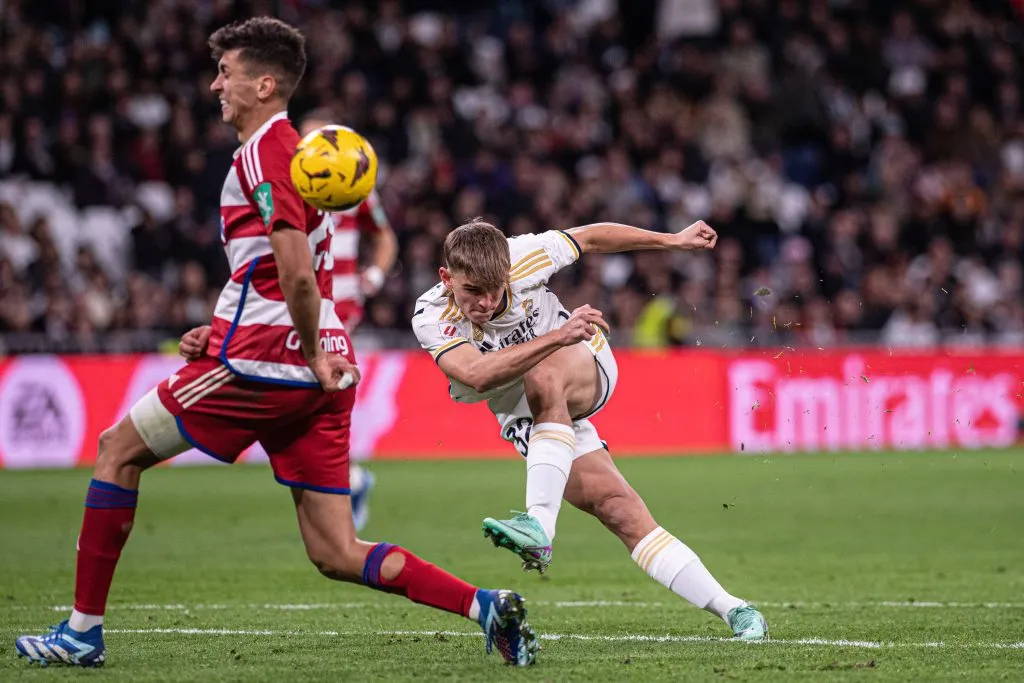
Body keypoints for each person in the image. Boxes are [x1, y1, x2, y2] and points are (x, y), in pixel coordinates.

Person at [15, 18, 538, 668]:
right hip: (311, 365)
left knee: (116, 450)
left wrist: (299, 346)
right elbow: (273, 268)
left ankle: (82, 631)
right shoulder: (293, 154)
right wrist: (229, 324)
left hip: (270, 363)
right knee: (336, 551)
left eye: (226, 73)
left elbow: (294, 269)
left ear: (264, 83)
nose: (216, 86)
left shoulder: (269, 150)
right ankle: (483, 604)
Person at [412, 218, 768, 641]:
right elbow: (476, 375)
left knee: (544, 375)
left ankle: (539, 524)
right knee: (619, 509)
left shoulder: (526, 254)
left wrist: (670, 240)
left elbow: (590, 236)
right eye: (473, 291)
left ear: (507, 269)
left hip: (583, 363)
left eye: (495, 289)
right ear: (446, 277)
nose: (486, 303)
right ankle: (737, 611)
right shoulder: (432, 314)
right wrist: (556, 336)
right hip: (529, 416)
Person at [297, 109, 400, 532]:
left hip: (338, 305)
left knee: (318, 391)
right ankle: (346, 479)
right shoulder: (292, 183)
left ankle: (342, 483)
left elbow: (385, 236)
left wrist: (372, 277)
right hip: (297, 300)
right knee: (309, 395)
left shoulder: (355, 187)